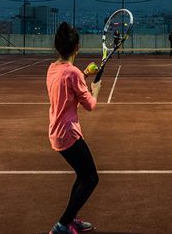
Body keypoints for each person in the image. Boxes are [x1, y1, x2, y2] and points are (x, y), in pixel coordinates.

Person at [47, 22, 102, 234]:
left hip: (56, 132)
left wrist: (85, 74)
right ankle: (62, 225)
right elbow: (90, 105)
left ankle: (71, 219)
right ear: (77, 47)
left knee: (82, 175)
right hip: (69, 134)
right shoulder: (73, 73)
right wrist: (95, 89)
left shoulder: (53, 69)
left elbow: (67, 86)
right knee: (91, 178)